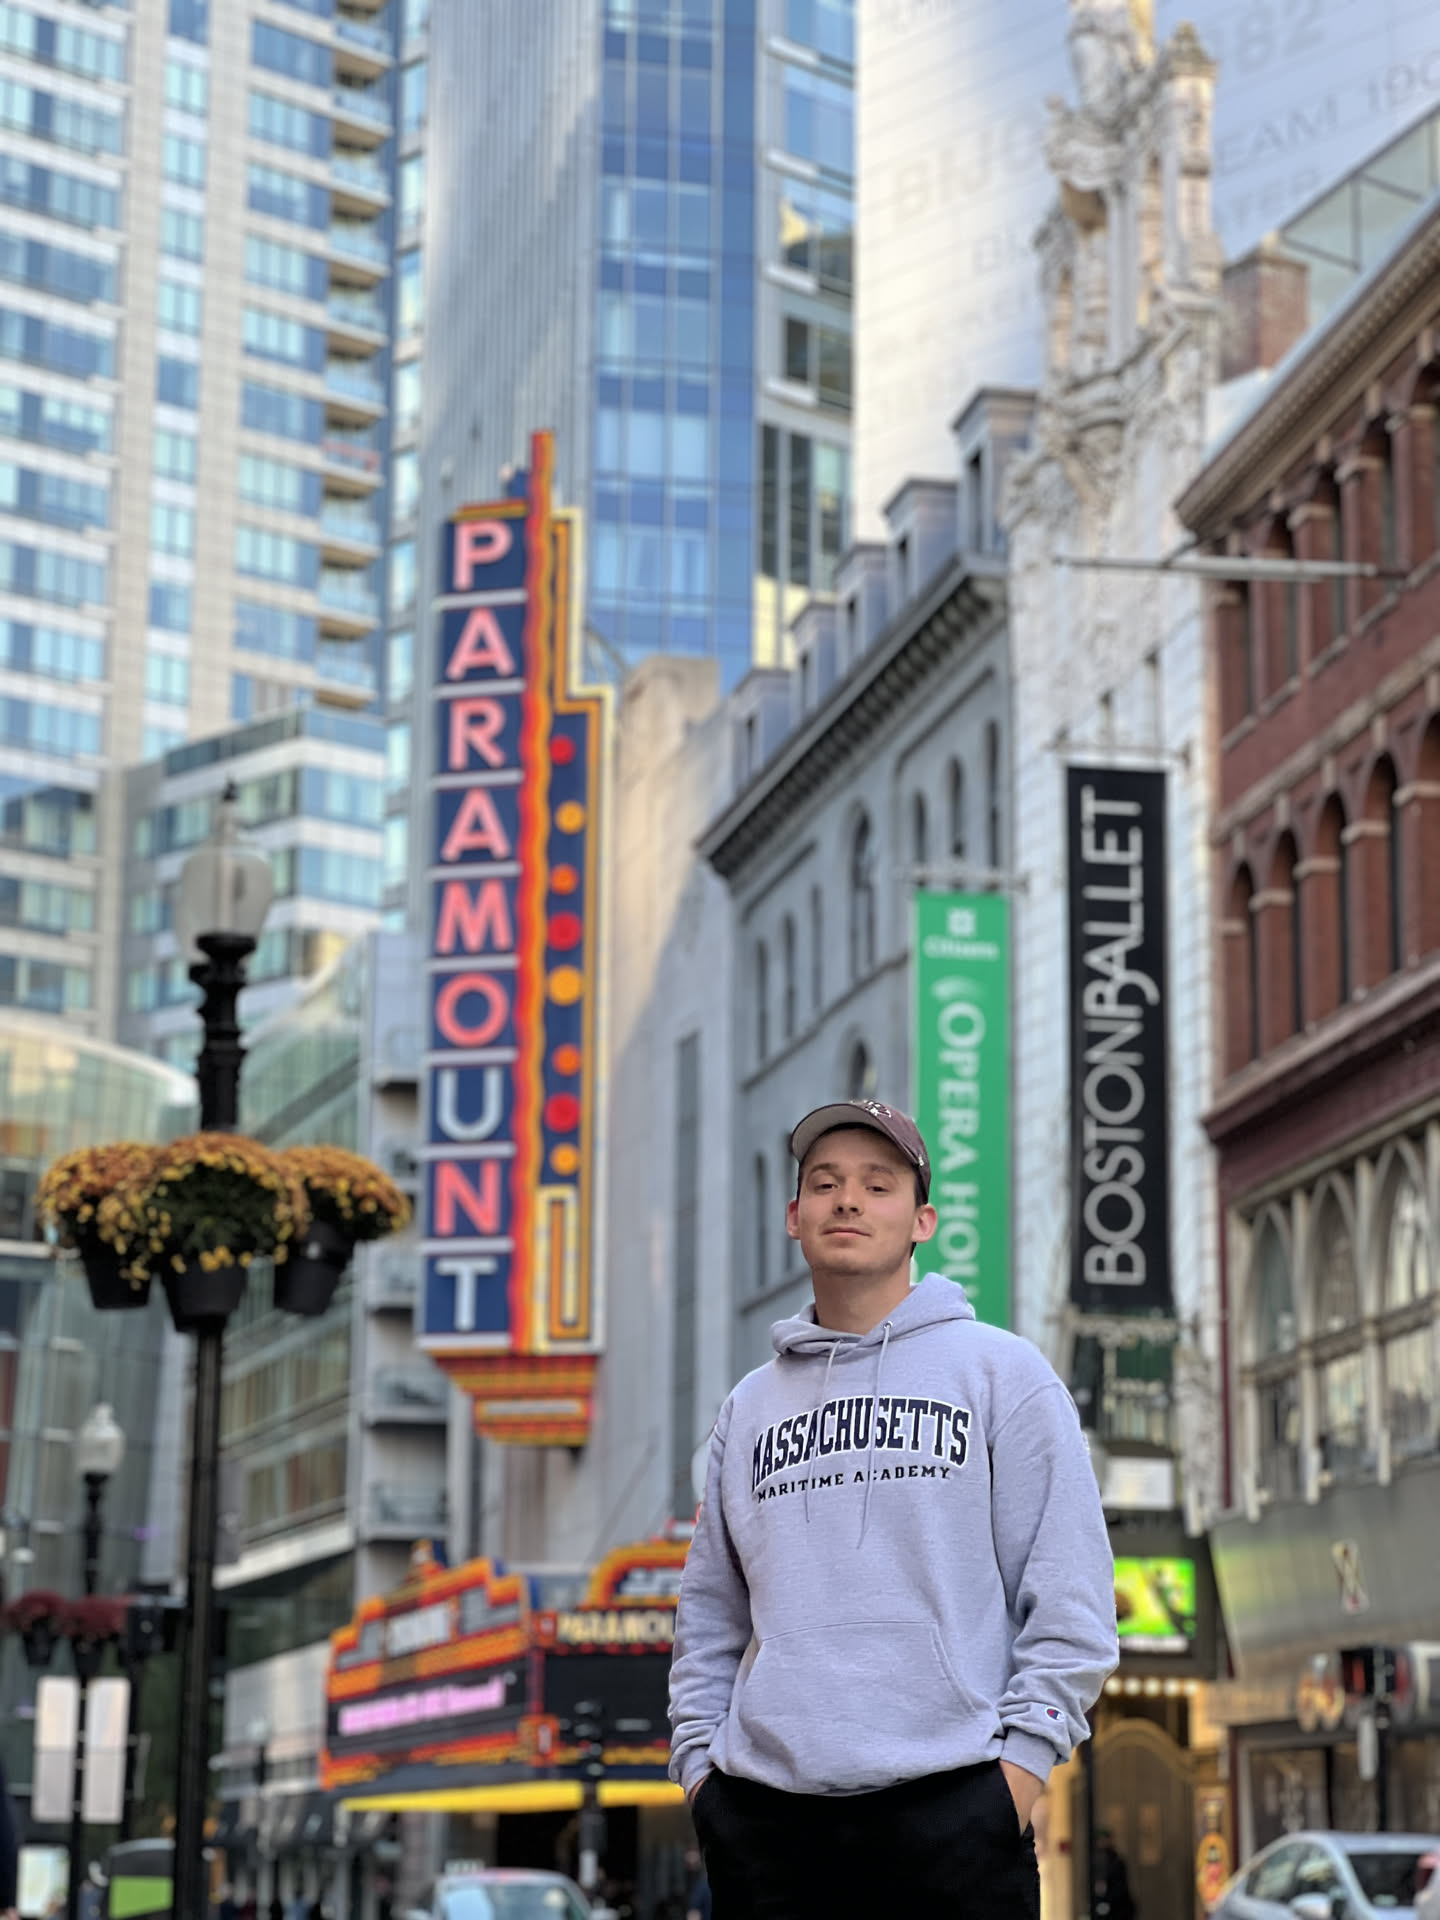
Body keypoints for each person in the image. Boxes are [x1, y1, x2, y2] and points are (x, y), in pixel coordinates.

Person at [669, 1099, 1119, 1920]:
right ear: (793, 1217)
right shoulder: (749, 1407)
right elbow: (709, 1616)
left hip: (956, 1813)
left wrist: (1018, 1775)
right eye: (825, 1183)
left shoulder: (1003, 1375)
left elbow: (1072, 1600)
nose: (847, 1200)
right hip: (765, 1829)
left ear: (922, 1222)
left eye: (878, 1186)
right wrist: (702, 1774)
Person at [1093, 1829, 1137, 1920]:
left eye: (1104, 1840)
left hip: (1118, 1906)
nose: (1102, 1843)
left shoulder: (1116, 1861)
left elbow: (1121, 1886)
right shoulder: (1096, 1859)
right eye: (1100, 1840)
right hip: (1104, 1904)